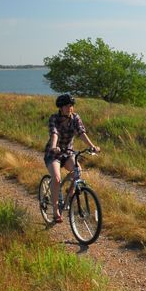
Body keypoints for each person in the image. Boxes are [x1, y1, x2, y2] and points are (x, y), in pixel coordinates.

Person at [45, 93, 100, 222]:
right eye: (67, 106)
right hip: (53, 154)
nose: (70, 108)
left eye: (71, 106)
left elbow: (81, 133)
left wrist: (92, 146)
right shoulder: (54, 118)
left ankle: (68, 198)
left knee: (77, 172)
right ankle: (55, 211)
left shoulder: (75, 118)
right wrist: (54, 146)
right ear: (61, 107)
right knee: (57, 179)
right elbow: (54, 134)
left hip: (68, 153)